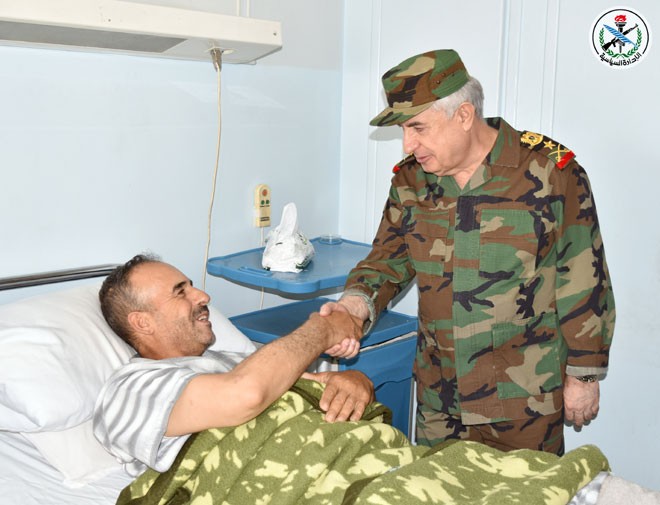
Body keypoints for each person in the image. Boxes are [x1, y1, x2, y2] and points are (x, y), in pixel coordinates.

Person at [320, 49, 615, 455]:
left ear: (463, 115)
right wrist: (352, 308)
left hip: (523, 398)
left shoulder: (550, 173)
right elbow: (387, 260)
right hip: (441, 397)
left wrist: (584, 376)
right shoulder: (411, 182)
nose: (408, 144)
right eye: (404, 129)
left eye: (417, 127)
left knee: (526, 489)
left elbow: (584, 276)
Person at [92, 253, 371, 475]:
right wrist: (323, 330)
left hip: (348, 458)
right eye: (180, 292)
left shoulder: (231, 361)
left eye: (192, 286)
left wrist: (354, 382)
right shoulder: (130, 388)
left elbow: (316, 385)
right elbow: (246, 395)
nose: (203, 296)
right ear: (143, 322)